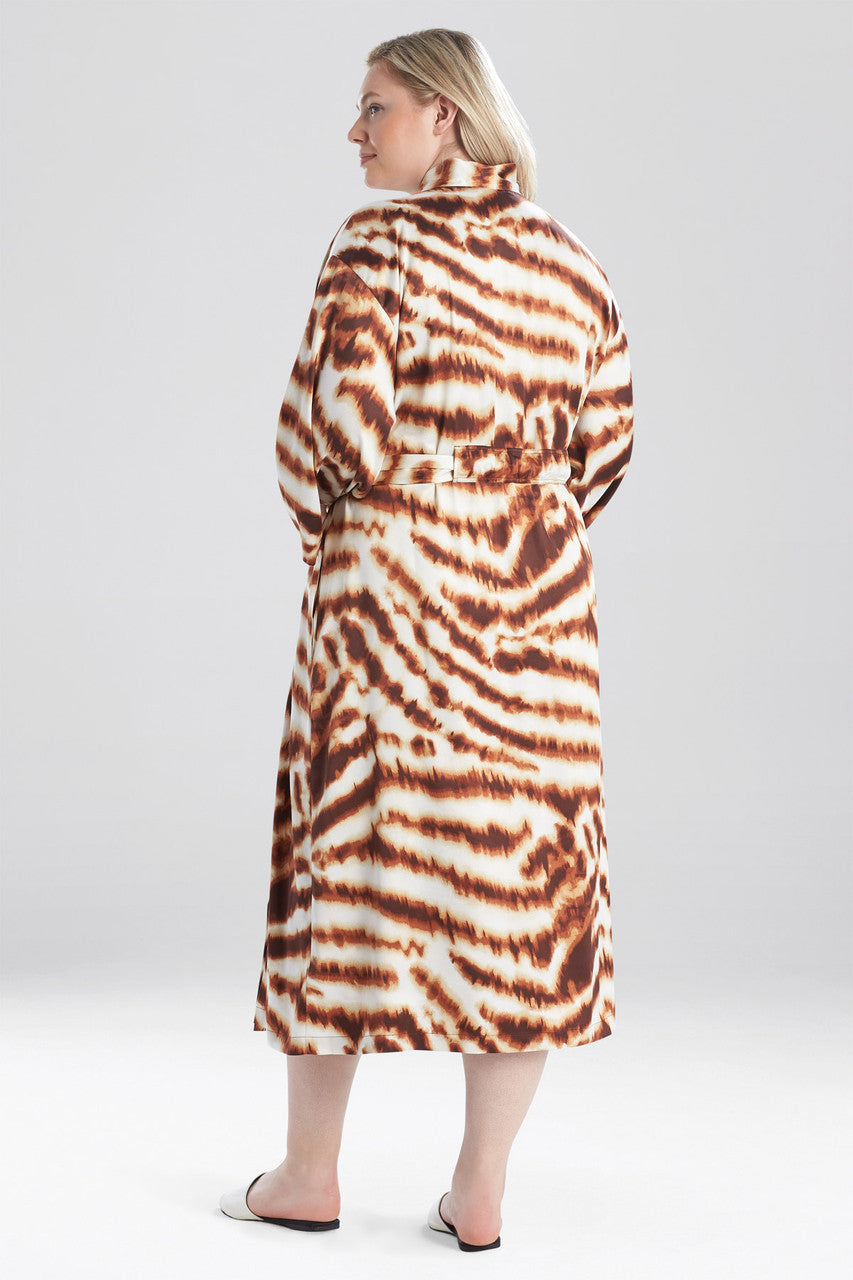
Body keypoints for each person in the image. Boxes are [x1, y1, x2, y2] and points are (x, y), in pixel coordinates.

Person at [220, 27, 634, 1252]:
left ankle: (309, 1174)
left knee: (345, 867)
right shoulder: (575, 262)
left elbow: (321, 441)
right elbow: (604, 449)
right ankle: (481, 1190)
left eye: (376, 107)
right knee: (523, 886)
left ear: (444, 114)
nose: (355, 132)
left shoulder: (372, 250)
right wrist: (518, 523)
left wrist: (346, 545)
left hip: (388, 599)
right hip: (536, 612)